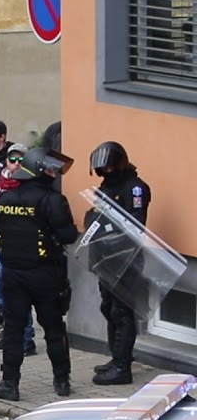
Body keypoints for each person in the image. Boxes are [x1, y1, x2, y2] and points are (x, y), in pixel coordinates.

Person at [0, 147, 79, 402]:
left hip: (13, 273)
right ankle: (62, 380)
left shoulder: (5, 199)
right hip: (45, 273)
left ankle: (9, 383)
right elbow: (68, 236)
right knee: (54, 328)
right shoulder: (53, 200)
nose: (53, 174)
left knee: (14, 330)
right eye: (50, 169)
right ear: (39, 170)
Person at [87, 141, 151, 386]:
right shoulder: (106, 186)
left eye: (108, 168)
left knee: (121, 312)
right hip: (105, 258)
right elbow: (95, 215)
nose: (105, 173)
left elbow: (135, 223)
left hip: (126, 259)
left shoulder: (135, 188)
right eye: (102, 170)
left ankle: (122, 368)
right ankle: (116, 358)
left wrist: (107, 229)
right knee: (108, 308)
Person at [0, 143, 37, 355]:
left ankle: (25, 339)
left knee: (17, 299)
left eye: (21, 160)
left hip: (12, 254)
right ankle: (10, 334)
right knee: (0, 298)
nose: (16, 164)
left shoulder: (28, 187)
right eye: (13, 159)